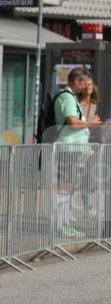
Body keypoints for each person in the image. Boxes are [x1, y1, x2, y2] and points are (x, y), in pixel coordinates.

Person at [53, 67, 101, 237]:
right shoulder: (66, 97)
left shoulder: (71, 97)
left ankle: (64, 223)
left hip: (72, 149)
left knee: (67, 187)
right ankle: (60, 224)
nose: (85, 86)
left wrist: (87, 122)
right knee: (64, 188)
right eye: (83, 82)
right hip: (67, 148)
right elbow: (72, 122)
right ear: (76, 81)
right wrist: (91, 124)